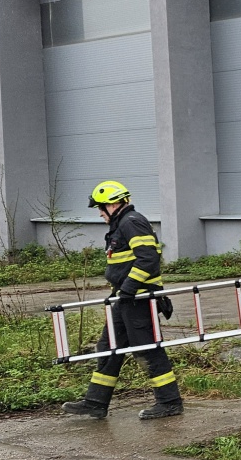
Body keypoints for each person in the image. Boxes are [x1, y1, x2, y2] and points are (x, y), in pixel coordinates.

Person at [62, 180, 183, 420]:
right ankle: (96, 402)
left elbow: (148, 258)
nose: (99, 213)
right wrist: (122, 293)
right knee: (108, 348)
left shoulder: (131, 222)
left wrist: (127, 290)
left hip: (138, 299)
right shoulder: (121, 225)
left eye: (100, 208)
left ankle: (170, 402)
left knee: (148, 350)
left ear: (113, 204)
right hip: (125, 299)